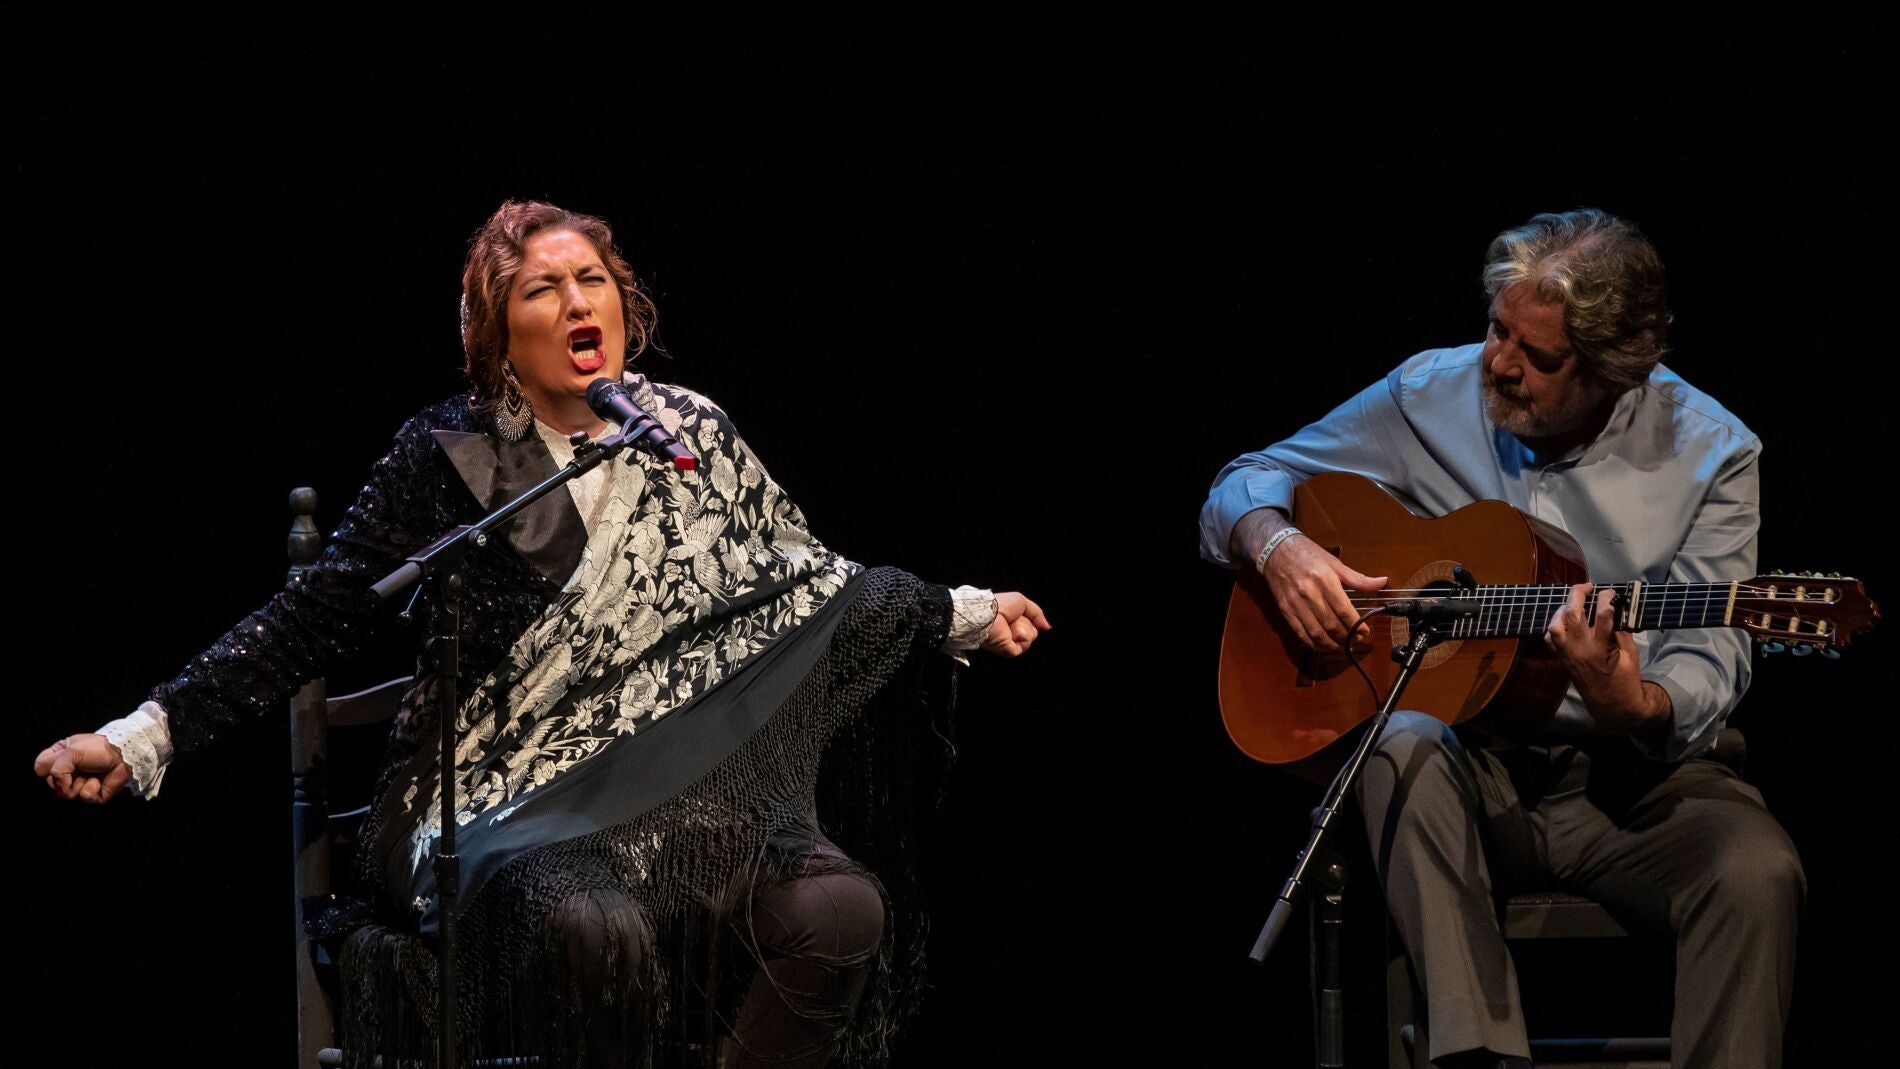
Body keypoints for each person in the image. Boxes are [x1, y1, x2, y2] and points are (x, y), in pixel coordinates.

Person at [36, 200, 1050, 1068]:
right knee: (592, 927)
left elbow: (803, 585)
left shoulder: (693, 432)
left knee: (840, 912)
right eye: (542, 289)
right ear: (496, 333)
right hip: (502, 802)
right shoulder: (456, 454)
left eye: (592, 280)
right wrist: (141, 734)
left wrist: (960, 611)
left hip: (675, 795)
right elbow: (313, 616)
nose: (576, 302)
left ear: (623, 306)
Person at [1197, 209, 1802, 1069]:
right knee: (1397, 743)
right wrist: (1276, 545)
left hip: (1633, 787)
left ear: (1615, 372)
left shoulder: (1714, 452)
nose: (1500, 364)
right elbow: (1243, 481)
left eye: (1538, 356)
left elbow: (1715, 654)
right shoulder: (1427, 393)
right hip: (1470, 777)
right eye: (1496, 330)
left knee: (1756, 871)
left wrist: (1636, 702)